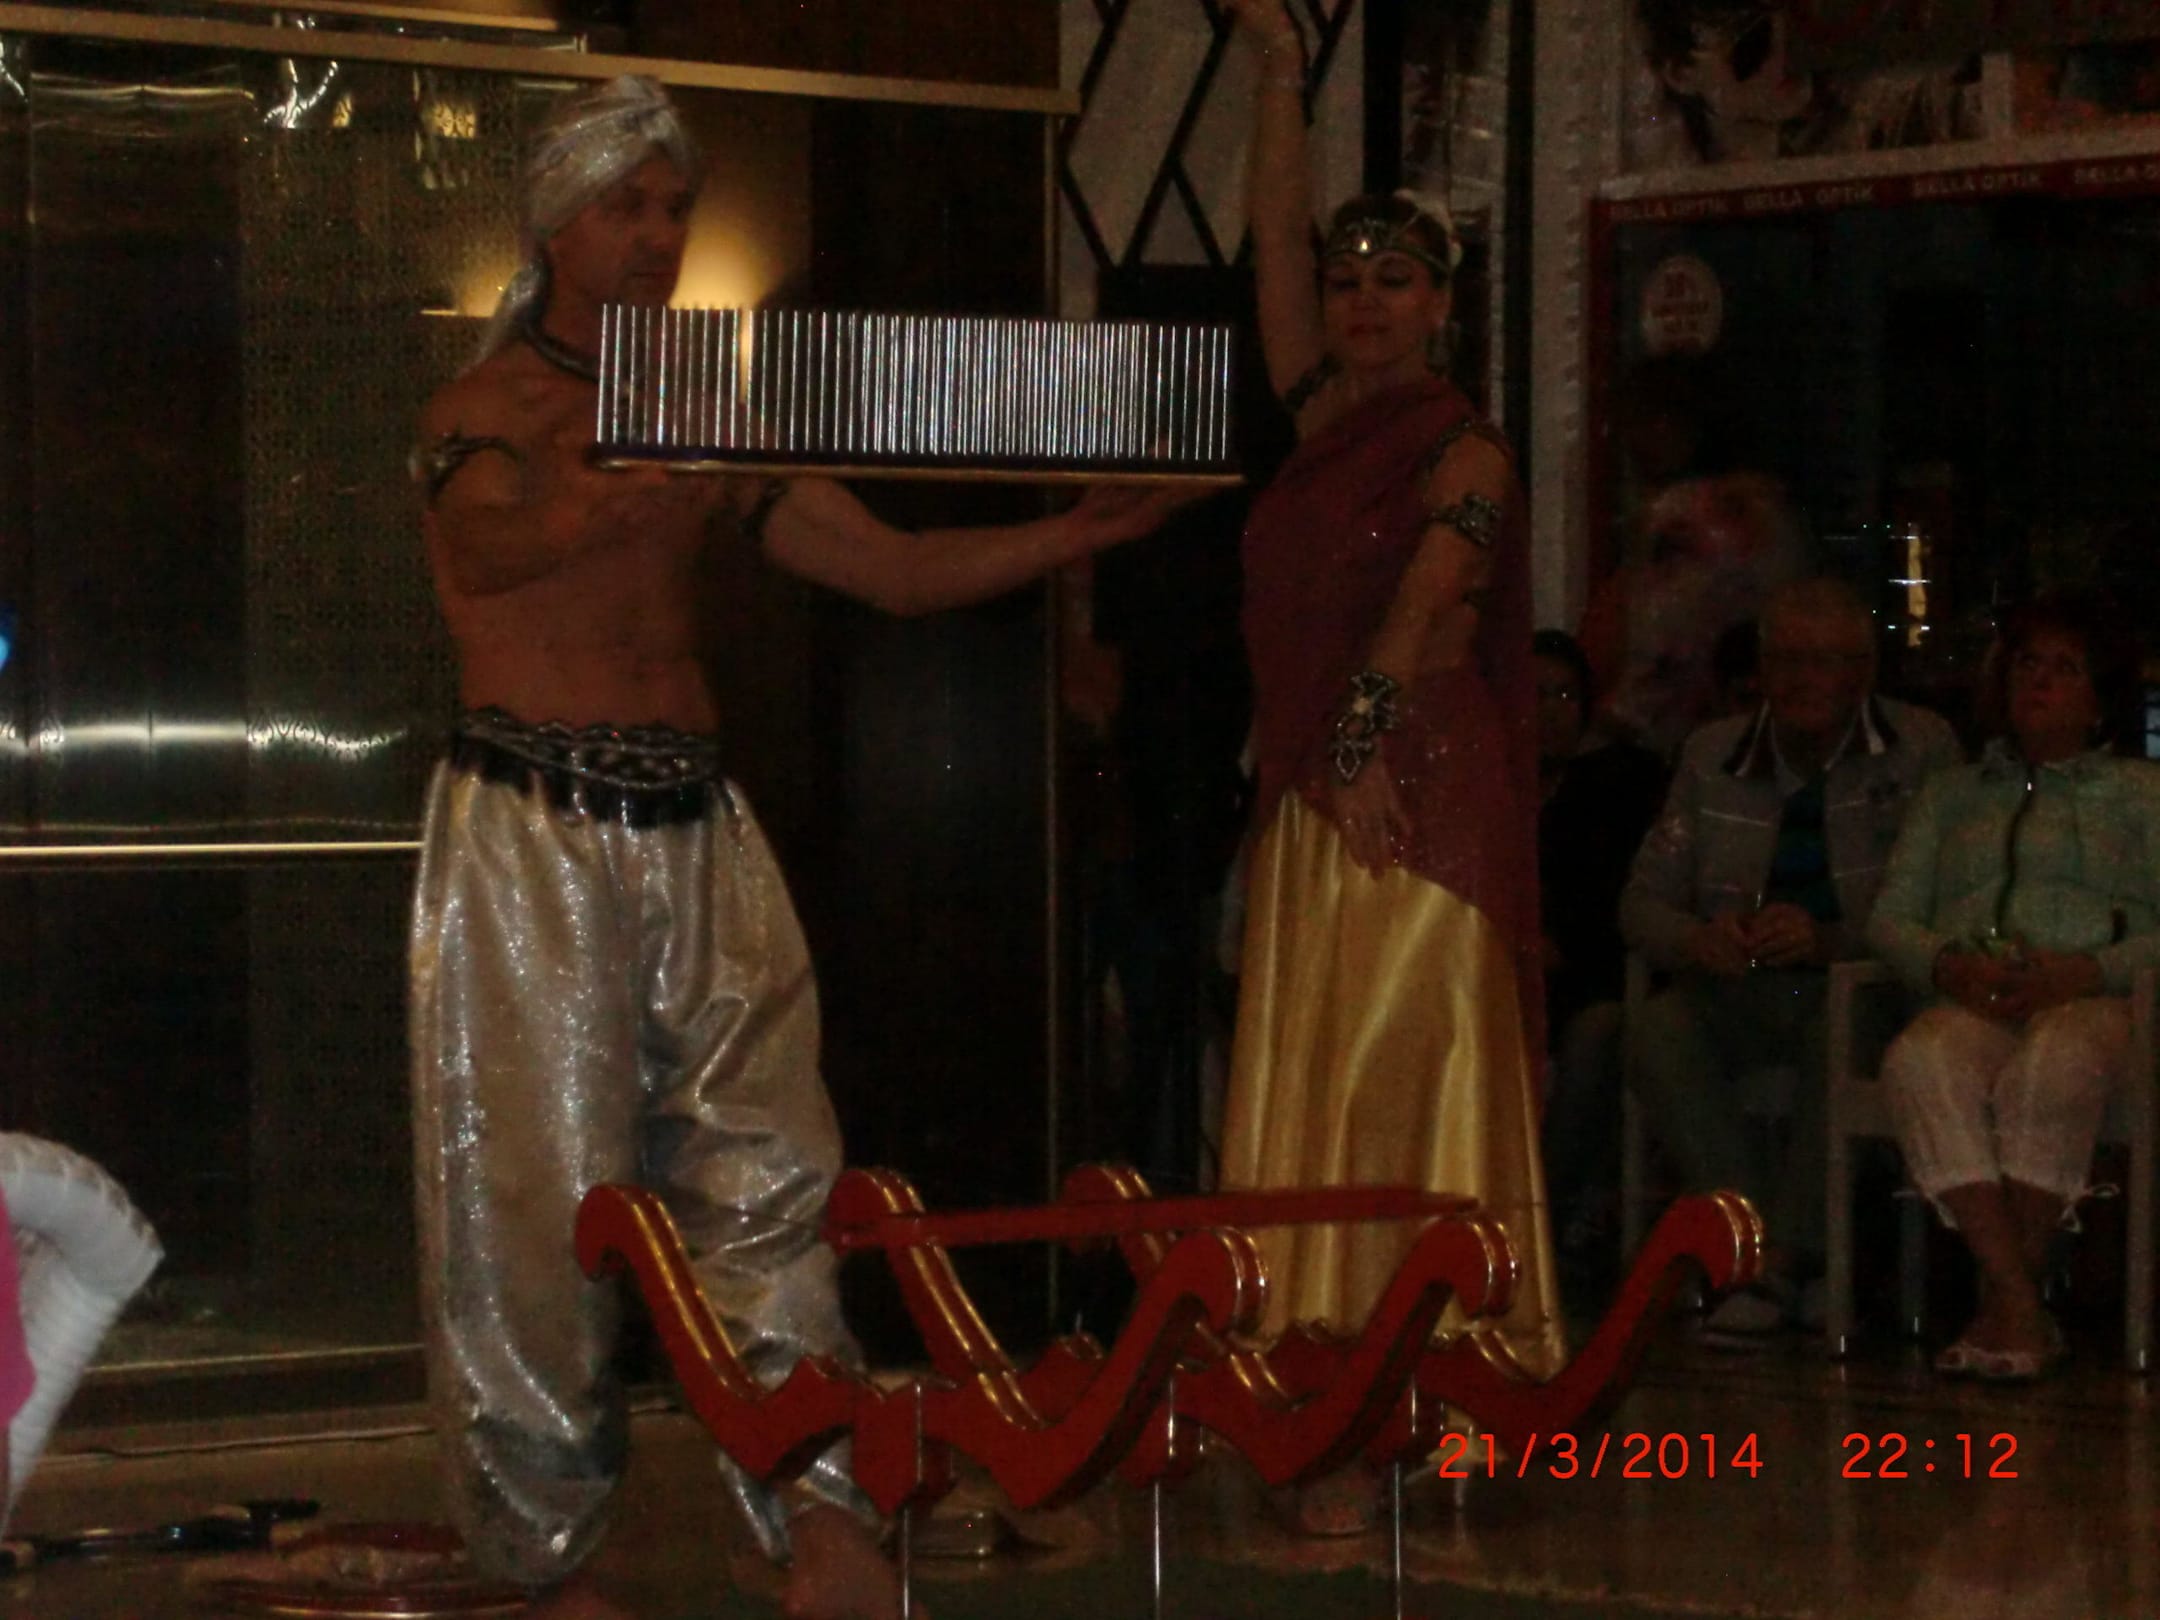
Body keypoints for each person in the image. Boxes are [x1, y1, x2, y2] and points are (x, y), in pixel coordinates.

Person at [410, 76, 1188, 1620]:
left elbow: (888, 568)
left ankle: (819, 1510)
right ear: (558, 226)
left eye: (673, 208)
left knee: (771, 1168)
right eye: (627, 207)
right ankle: (546, 1559)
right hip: (529, 827)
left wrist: (1074, 533)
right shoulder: (486, 409)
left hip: (698, 818)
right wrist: (608, 498)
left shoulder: (704, 400)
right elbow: (480, 550)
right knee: (534, 1199)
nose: (656, 235)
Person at [1213, 0, 1565, 1530]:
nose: (1359, 301)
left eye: (1392, 281)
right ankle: (1314, 1379)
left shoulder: (1465, 448)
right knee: (1317, 1076)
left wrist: (1354, 742)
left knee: (1396, 1076)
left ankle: (1435, 1384)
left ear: (1442, 305)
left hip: (1418, 793)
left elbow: (1430, 602)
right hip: (1322, 785)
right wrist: (1277, 71)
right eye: (1348, 280)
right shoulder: (1322, 418)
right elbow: (1270, 250)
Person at [1620, 577, 1959, 1340]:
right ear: (1763, 669)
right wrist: (1696, 938)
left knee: (1844, 1030)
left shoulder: (1920, 750)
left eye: (1826, 661)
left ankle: (1785, 1259)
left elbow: (1944, 902)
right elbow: (1641, 903)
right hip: (1739, 984)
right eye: (1788, 661)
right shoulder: (1713, 754)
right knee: (1654, 1029)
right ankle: (1763, 1249)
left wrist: (1832, 938)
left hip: (1860, 986)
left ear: (1863, 671)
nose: (1806, 680)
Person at [1868, 598, 2160, 1381]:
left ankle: (2004, 1305)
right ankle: (2021, 1304)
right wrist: (1948, 965)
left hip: (2097, 1001)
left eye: (2064, 669)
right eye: (2028, 664)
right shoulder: (1952, 794)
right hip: (1976, 997)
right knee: (1920, 1060)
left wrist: (2088, 970)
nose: (2039, 681)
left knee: (2059, 1057)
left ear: (2099, 699)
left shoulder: (2142, 795)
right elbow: (1890, 919)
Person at [1531, 630, 1667, 1304]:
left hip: (1587, 981)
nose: (1549, 711)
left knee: (1599, 1034)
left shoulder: (1612, 787)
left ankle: (1543, 1220)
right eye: (1535, 695)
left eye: (1563, 695)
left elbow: (1612, 910)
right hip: (1504, 979)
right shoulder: (1486, 792)